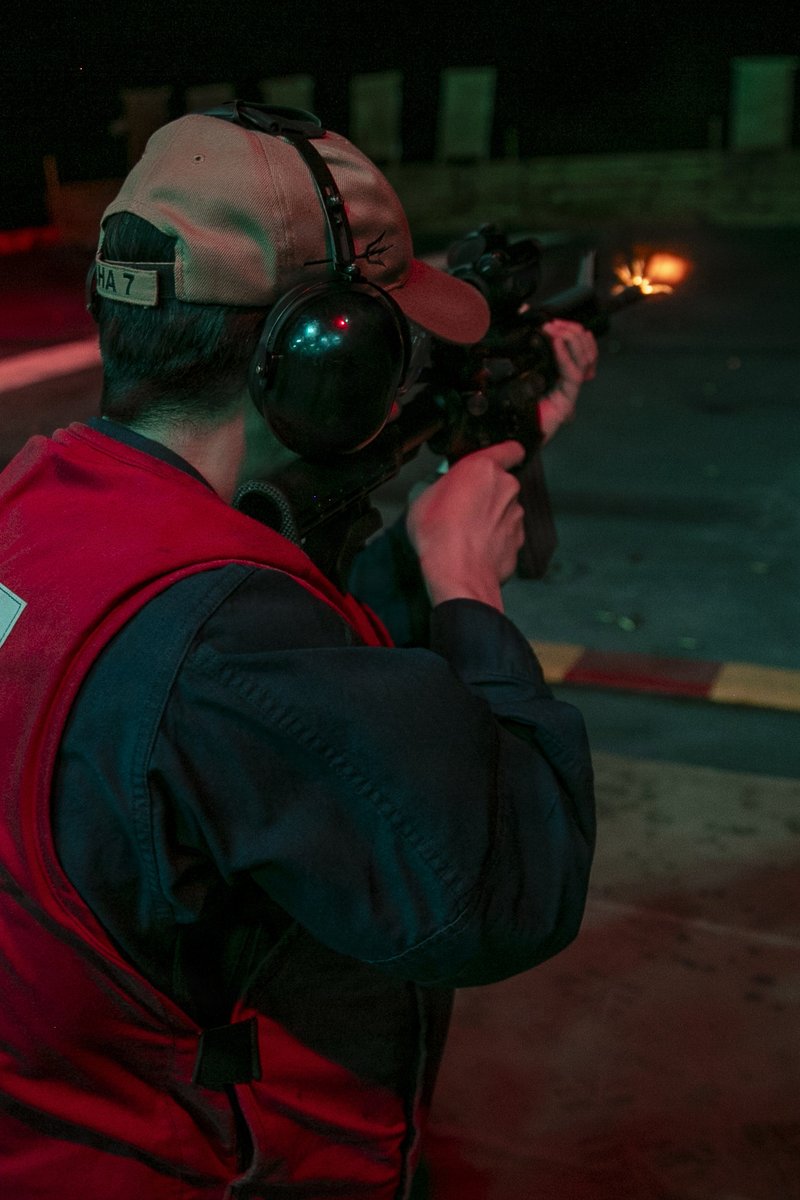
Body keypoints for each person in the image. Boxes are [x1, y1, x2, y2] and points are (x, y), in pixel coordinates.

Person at [0, 101, 597, 1199]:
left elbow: (244, 693)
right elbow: (504, 889)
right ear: (329, 352)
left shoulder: (37, 511)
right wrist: (466, 582)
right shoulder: (233, 649)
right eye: (390, 342)